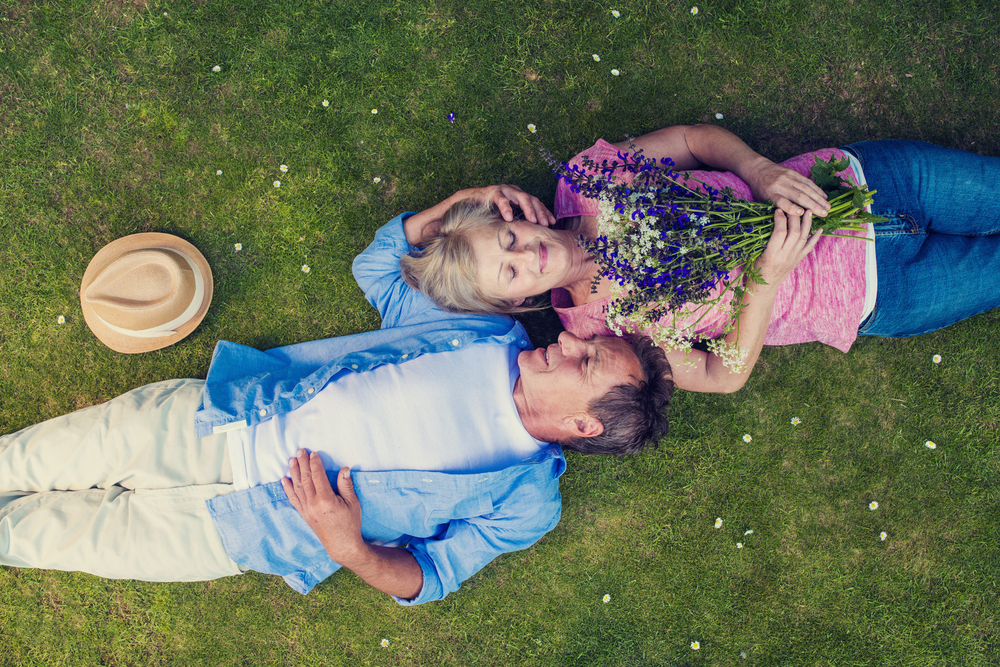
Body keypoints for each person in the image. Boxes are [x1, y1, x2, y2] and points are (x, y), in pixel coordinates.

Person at [0, 186, 673, 606]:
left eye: (585, 360)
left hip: (239, 530)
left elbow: (431, 577)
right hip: (213, 419)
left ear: (585, 424)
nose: (569, 341)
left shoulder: (526, 499)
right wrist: (452, 208)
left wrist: (347, 545)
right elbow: (380, 267)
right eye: (588, 343)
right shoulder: (483, 332)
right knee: (25, 459)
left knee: (39, 538)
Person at [401, 125, 1000, 393]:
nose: (528, 253)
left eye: (507, 240)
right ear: (516, 301)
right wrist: (766, 277)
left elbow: (692, 140)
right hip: (885, 293)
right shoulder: (597, 332)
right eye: (510, 272)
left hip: (870, 183)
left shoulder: (589, 178)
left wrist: (758, 170)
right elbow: (722, 376)